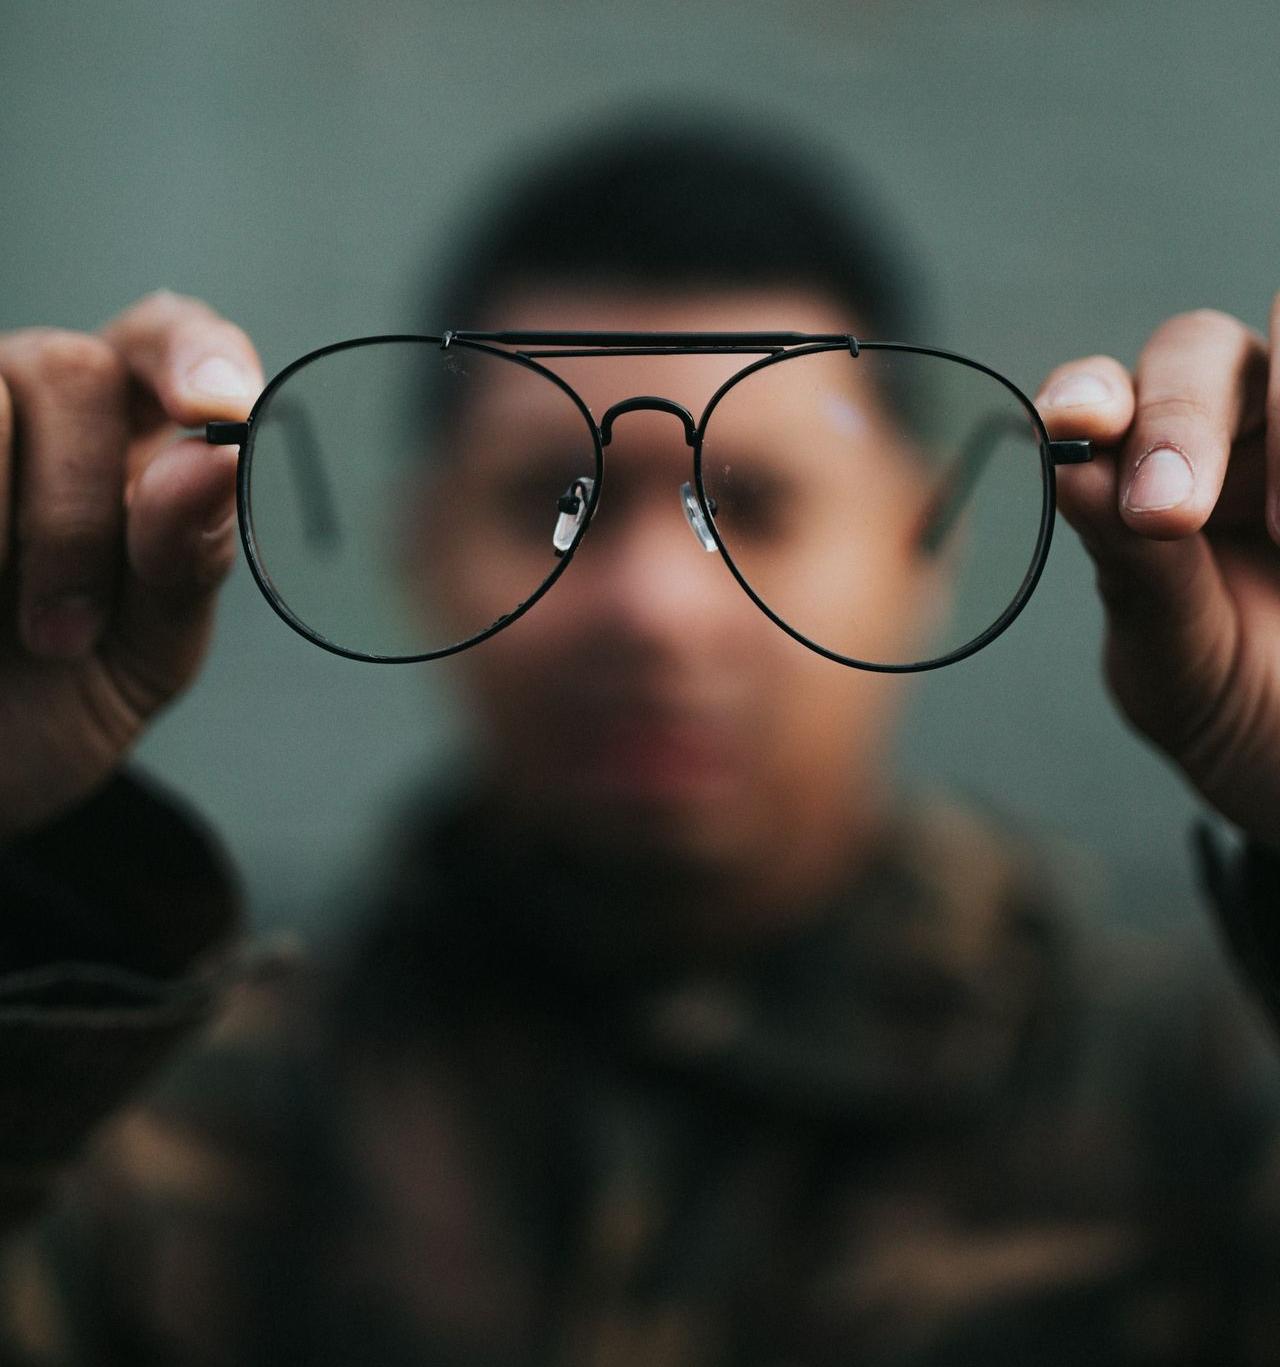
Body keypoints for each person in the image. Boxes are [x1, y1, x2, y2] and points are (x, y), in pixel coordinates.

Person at [1, 118, 1279, 1365]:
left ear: (921, 542)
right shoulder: (137, 1114)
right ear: (418, 545)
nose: (652, 609)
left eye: (753, 502)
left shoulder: (1196, 1092)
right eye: (551, 497)